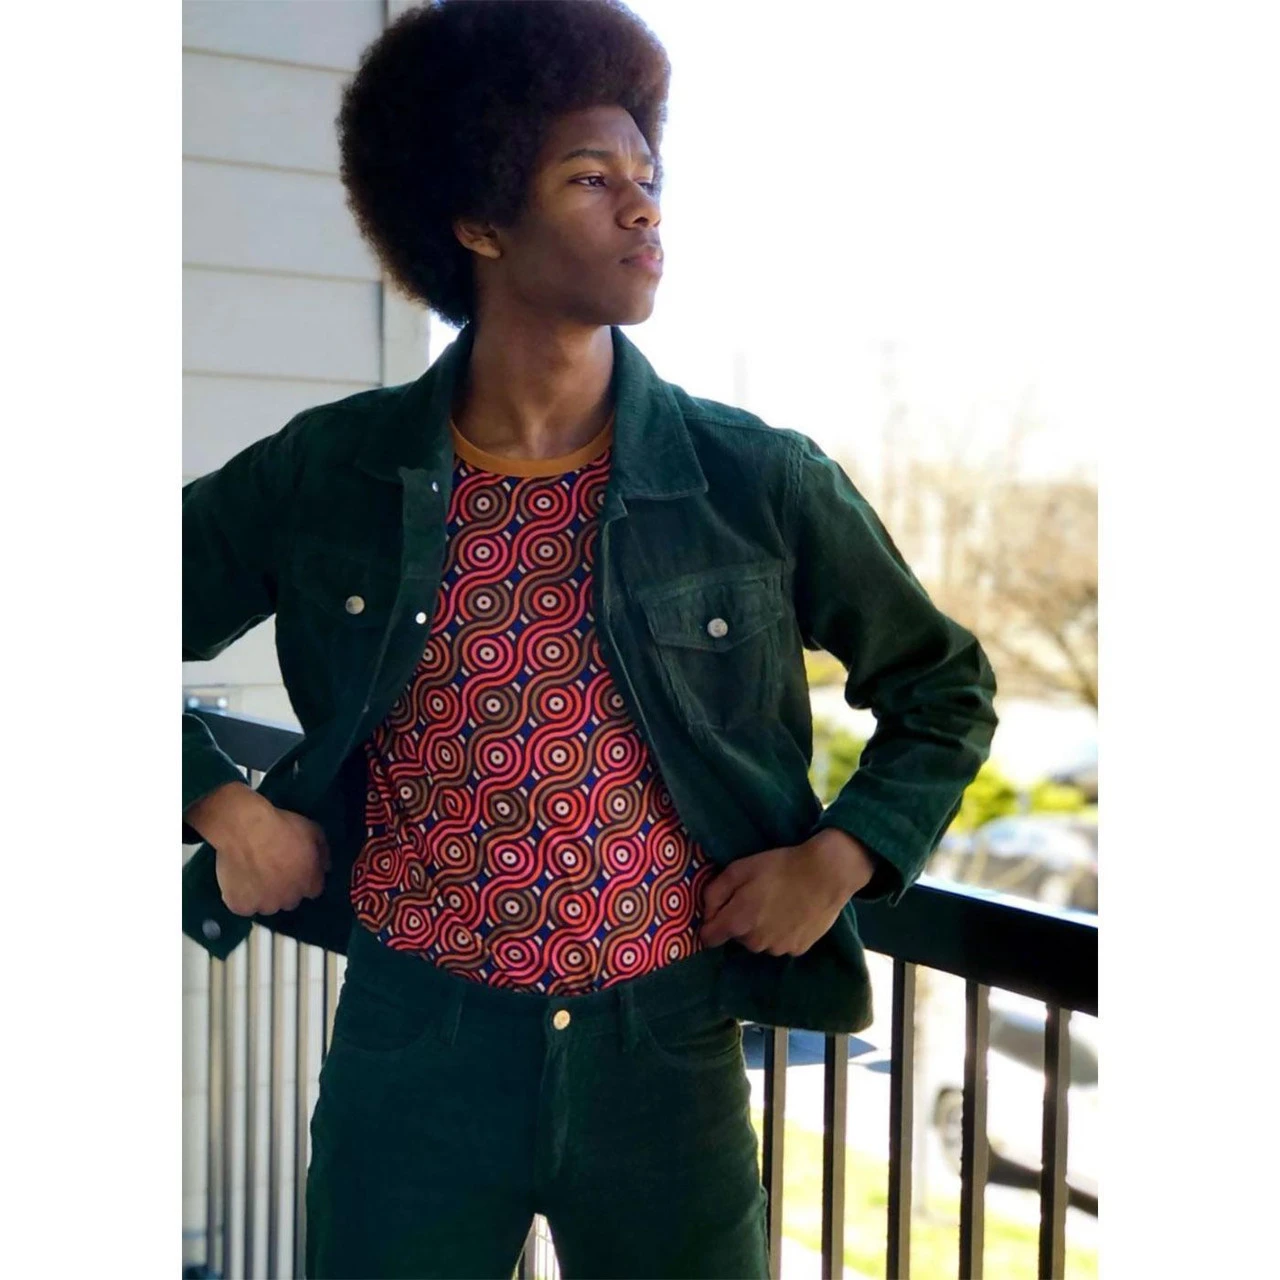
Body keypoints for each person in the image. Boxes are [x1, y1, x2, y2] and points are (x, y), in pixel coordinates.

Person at [181, 2, 999, 1276]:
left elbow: (943, 686)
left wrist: (839, 857)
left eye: (647, 176)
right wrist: (219, 806)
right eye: (589, 178)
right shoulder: (330, 473)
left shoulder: (751, 476)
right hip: (414, 1050)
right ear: (478, 219)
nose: (642, 208)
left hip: (663, 1054)